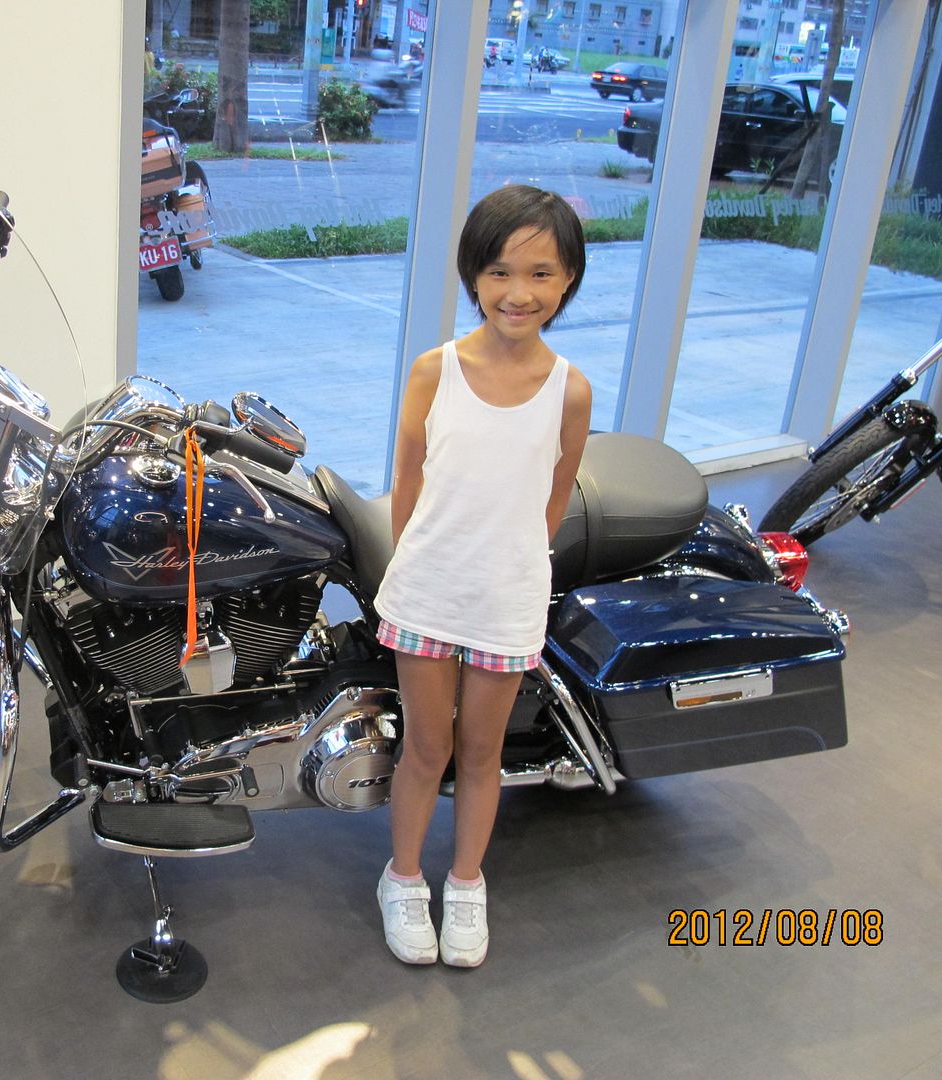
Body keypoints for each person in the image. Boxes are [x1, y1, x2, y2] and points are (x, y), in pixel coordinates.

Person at [373, 185, 591, 967]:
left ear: (567, 280)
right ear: (473, 276)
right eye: (499, 271)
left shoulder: (571, 390)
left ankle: (466, 881)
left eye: (540, 273)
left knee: (481, 753)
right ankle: (402, 877)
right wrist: (422, 569)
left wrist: (509, 565)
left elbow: (552, 500)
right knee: (426, 747)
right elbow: (407, 486)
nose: (518, 292)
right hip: (429, 595)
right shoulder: (435, 372)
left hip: (505, 600)